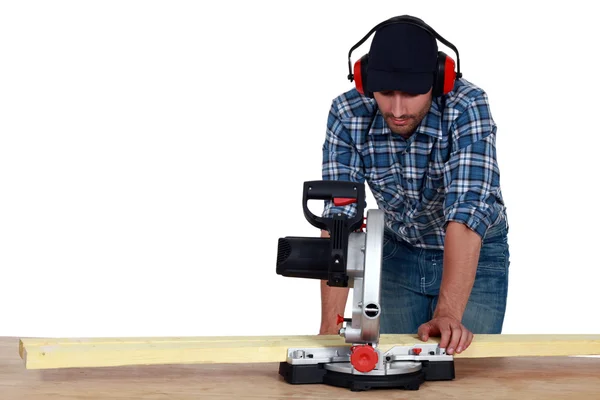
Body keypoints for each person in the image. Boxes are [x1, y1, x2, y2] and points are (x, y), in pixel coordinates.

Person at [318, 15, 510, 356]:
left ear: (439, 79)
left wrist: (448, 315)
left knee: (464, 376)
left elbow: (468, 210)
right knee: (395, 370)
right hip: (397, 252)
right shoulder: (347, 113)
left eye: (410, 94)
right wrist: (328, 331)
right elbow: (340, 219)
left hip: (475, 256)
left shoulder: (468, 106)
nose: (396, 109)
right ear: (364, 81)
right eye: (385, 92)